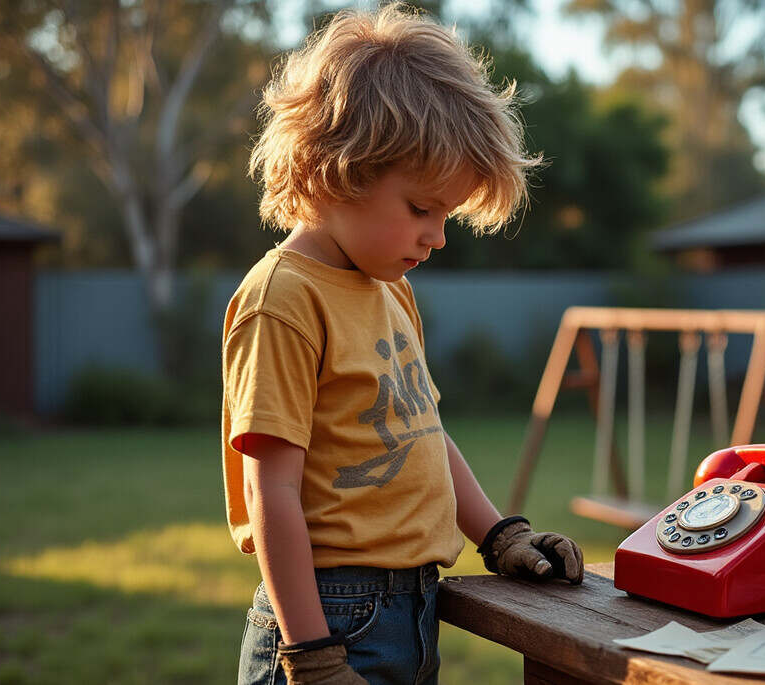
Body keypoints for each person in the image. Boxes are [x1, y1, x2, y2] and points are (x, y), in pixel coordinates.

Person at [222, 5, 584, 684]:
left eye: (445, 215)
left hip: (411, 606)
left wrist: (500, 535)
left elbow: (421, 434)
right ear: (337, 170)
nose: (437, 237)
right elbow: (271, 491)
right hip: (327, 620)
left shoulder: (390, 288)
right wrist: (312, 655)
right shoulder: (283, 298)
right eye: (421, 209)